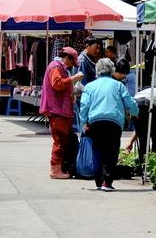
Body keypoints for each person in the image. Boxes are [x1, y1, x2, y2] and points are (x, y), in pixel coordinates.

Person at [80, 58, 139, 191]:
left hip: (95, 122)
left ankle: (98, 182)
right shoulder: (118, 85)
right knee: (111, 152)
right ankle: (107, 183)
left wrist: (84, 123)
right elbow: (129, 102)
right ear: (112, 70)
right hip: (114, 123)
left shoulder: (90, 86)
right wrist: (136, 112)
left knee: (97, 151)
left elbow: (84, 106)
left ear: (97, 71)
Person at [40, 47, 84, 179]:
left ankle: (60, 168)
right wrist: (74, 79)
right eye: (71, 62)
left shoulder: (59, 67)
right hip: (57, 110)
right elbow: (57, 84)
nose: (71, 66)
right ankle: (55, 170)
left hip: (60, 110)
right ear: (67, 58)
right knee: (60, 141)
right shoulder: (56, 67)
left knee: (64, 140)